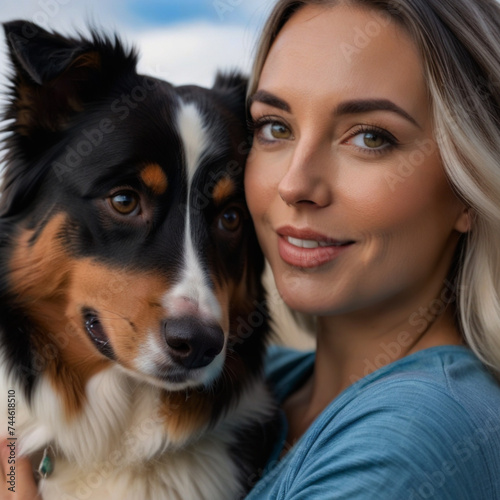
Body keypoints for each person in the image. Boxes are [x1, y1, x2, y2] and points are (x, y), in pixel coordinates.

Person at [3, 0, 500, 498]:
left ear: (469, 184)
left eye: (371, 137)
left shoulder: (404, 449)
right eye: (276, 128)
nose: (294, 183)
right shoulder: (283, 386)